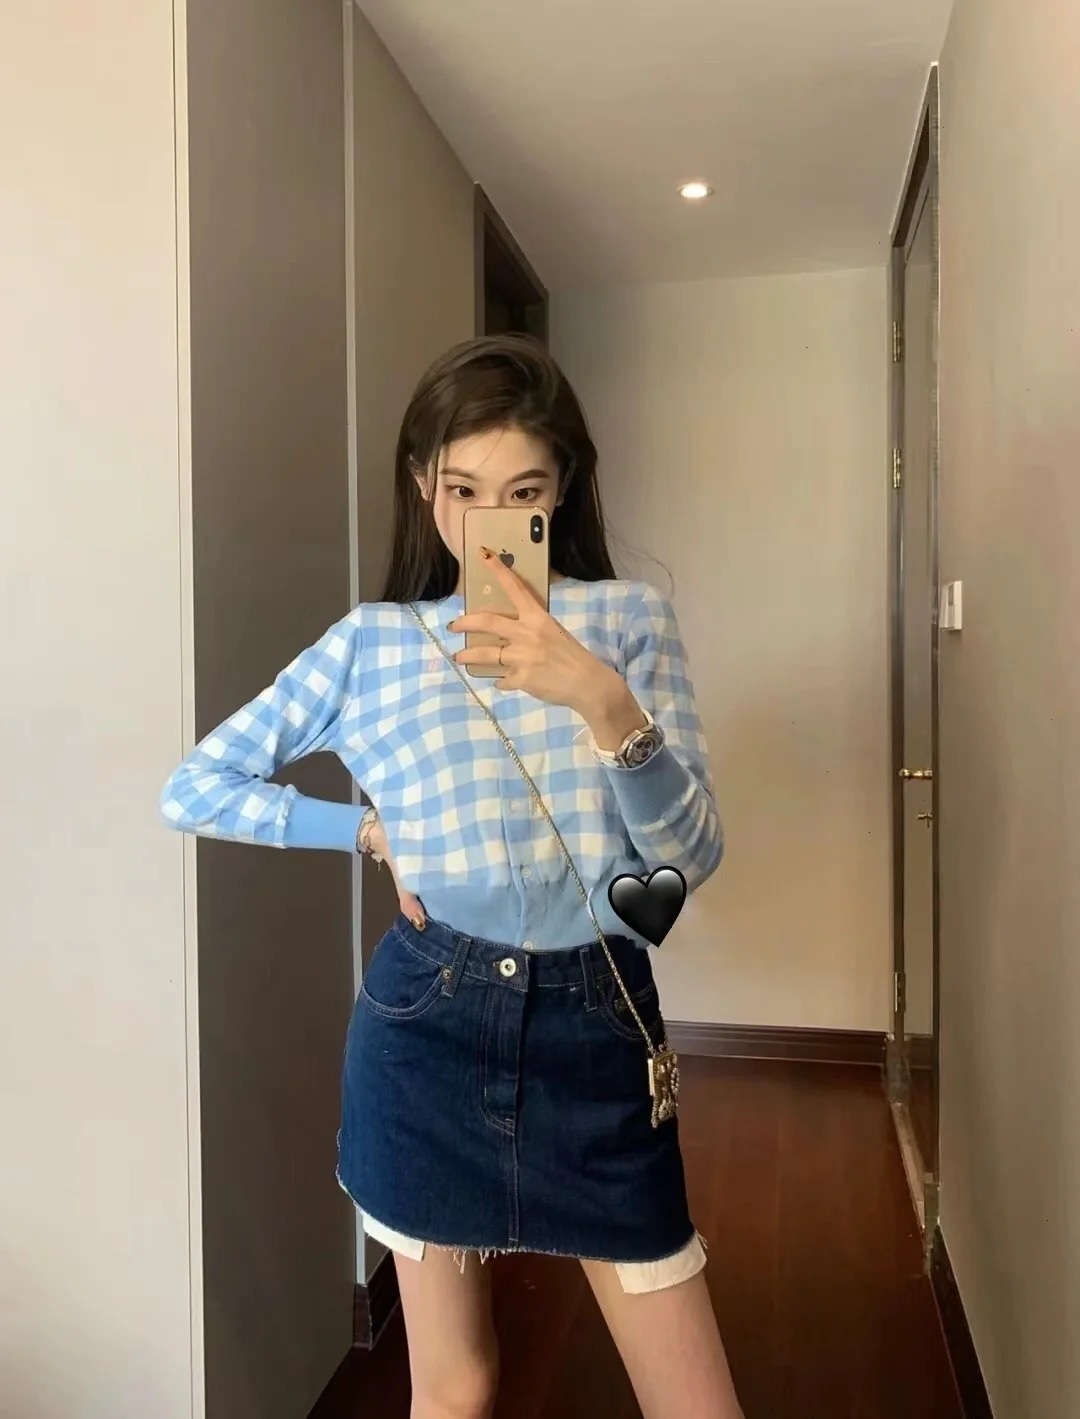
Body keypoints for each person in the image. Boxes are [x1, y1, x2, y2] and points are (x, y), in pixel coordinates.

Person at [160, 335, 744, 1419]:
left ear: (562, 489)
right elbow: (196, 786)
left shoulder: (627, 623)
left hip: (599, 1026)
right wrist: (366, 832)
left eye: (522, 490)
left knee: (695, 1402)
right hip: (426, 1024)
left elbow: (687, 857)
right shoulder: (373, 644)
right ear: (424, 487)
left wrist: (602, 703)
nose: (490, 519)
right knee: (455, 1388)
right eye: (462, 489)